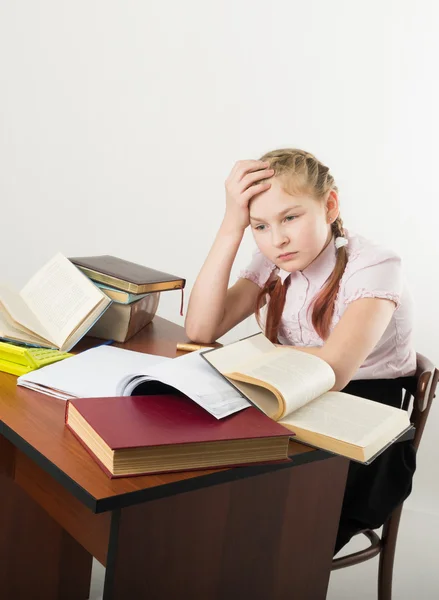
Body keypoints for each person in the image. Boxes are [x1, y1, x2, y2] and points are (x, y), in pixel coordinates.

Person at [185, 148, 417, 554]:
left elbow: (335, 369)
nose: (278, 239)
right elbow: (202, 328)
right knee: (197, 492)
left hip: (362, 428)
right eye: (260, 225)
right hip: (288, 403)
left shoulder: (375, 264)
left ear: (329, 205)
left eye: (290, 217)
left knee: (265, 534)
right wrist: (230, 226)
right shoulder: (273, 260)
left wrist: (240, 361)